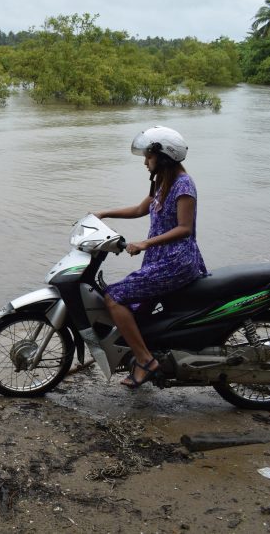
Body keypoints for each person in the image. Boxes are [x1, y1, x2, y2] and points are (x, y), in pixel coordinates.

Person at [95, 126, 208, 389]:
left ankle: (146, 361)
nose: (145, 162)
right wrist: (102, 214)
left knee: (114, 298)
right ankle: (142, 357)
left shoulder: (184, 185)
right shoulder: (162, 182)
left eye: (149, 157)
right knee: (139, 312)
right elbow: (139, 209)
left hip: (176, 262)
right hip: (160, 261)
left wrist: (144, 243)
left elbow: (184, 228)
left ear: (164, 157)